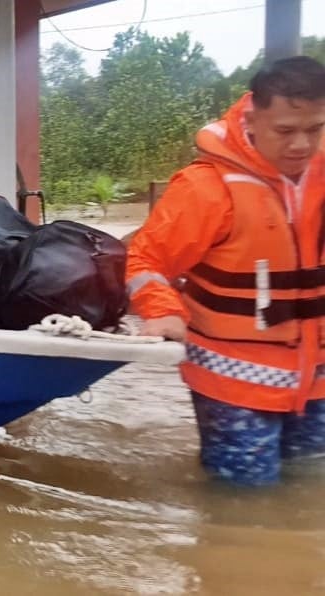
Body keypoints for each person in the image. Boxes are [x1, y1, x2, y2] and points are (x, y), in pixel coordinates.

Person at [126, 56, 325, 486]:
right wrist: (160, 310)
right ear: (252, 119)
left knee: (309, 490)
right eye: (285, 131)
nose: (301, 145)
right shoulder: (206, 187)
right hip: (234, 383)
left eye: (315, 130)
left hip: (317, 381)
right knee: (243, 499)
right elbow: (145, 260)